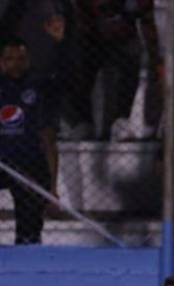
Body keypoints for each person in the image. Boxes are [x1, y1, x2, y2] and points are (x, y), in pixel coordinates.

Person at [66, 0, 157, 141]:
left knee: (133, 56)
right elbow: (79, 11)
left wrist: (123, 21)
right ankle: (81, 122)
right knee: (77, 61)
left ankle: (120, 121)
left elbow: (143, 11)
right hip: (92, 34)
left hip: (124, 32)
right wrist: (93, 24)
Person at [0, 35, 57, 245]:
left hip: (30, 164)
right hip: (1, 161)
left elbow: (49, 139)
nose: (15, 64)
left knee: (29, 227)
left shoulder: (39, 88)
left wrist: (53, 187)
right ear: (1, 62)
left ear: (28, 60)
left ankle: (28, 245)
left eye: (20, 58)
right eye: (9, 59)